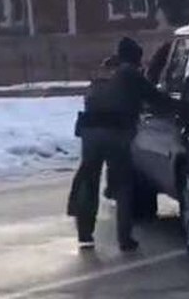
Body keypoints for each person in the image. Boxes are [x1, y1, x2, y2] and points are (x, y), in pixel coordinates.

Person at [67, 37, 172, 252]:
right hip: (117, 132)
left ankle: (85, 234)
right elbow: (157, 99)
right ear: (134, 58)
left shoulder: (102, 71)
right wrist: (180, 106)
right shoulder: (130, 74)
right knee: (123, 183)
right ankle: (125, 239)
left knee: (89, 181)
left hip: (90, 131)